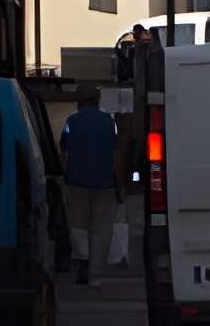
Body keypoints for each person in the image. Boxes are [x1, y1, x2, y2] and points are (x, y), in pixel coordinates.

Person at [60, 85, 121, 286]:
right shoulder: (110, 122)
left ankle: (83, 259)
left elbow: (65, 151)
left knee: (78, 225)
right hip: (105, 183)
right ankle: (96, 275)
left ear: (80, 101)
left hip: (76, 181)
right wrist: (119, 181)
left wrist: (63, 175)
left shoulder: (72, 121)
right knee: (101, 228)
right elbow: (115, 154)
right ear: (98, 100)